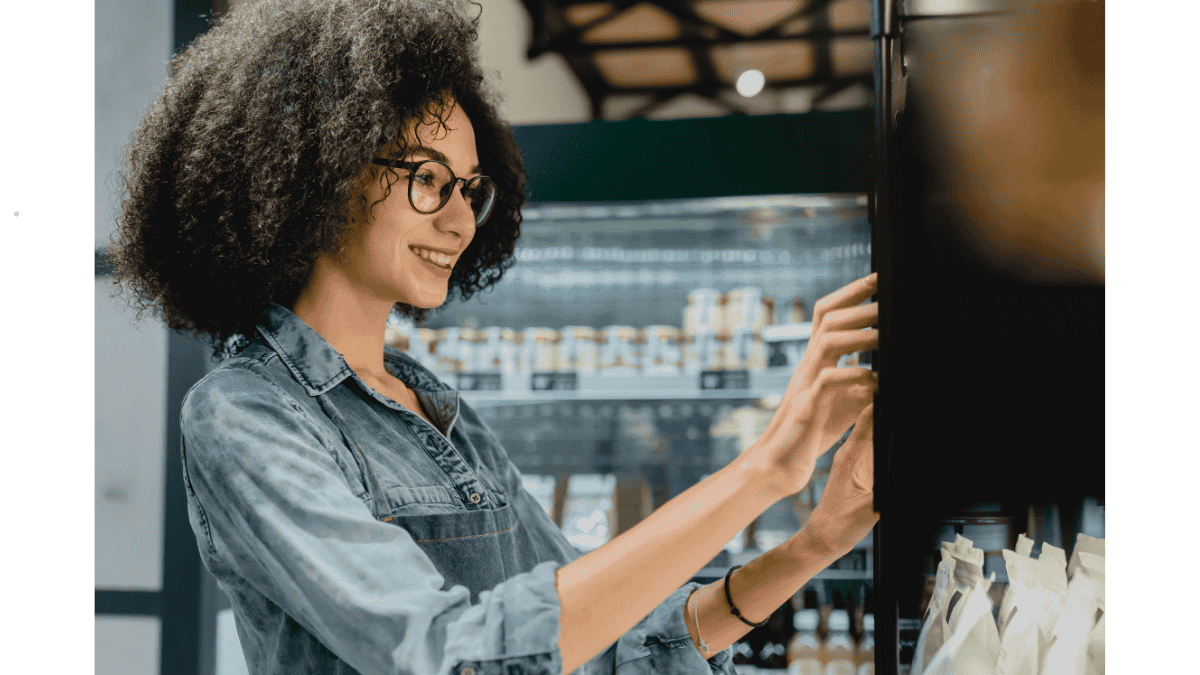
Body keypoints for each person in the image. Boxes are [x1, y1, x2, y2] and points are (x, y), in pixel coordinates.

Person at [107, 1, 880, 674]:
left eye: (471, 189)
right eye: (428, 179)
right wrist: (764, 470)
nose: (457, 221)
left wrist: (812, 543)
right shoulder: (244, 414)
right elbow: (456, 655)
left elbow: (604, 643)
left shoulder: (434, 406)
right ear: (319, 170)